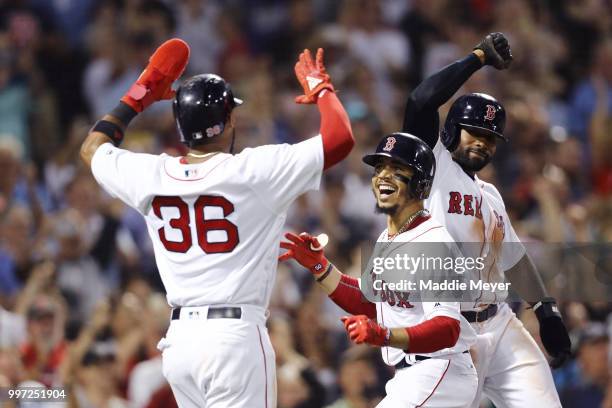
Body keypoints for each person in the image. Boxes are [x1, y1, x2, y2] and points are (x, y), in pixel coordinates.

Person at [80, 38, 354, 407]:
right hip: (234, 337)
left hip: (180, 344)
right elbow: (340, 138)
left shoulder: (150, 173)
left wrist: (140, 93)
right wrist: (322, 88)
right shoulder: (252, 171)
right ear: (229, 121)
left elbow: (92, 148)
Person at [401, 32, 571, 407]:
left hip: (500, 322)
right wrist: (477, 57)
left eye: (490, 138)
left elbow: (513, 259)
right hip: (448, 331)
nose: (482, 143)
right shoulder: (431, 166)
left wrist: (545, 309)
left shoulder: (490, 196)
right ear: (449, 131)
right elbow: (420, 100)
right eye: (474, 133)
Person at [280, 133, 479, 407]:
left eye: (397, 170)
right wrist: (320, 266)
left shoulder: (432, 241)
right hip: (412, 373)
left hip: (440, 369)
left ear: (420, 184)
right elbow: (372, 302)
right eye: (380, 168)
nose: (383, 176)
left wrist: (384, 335)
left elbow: (448, 328)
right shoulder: (388, 239)